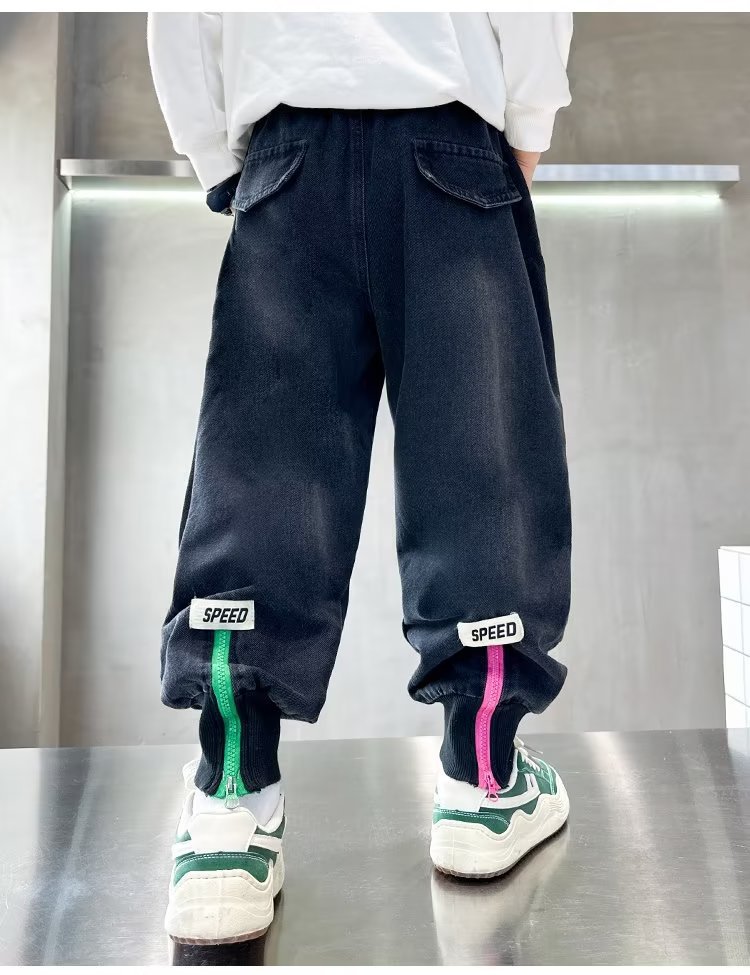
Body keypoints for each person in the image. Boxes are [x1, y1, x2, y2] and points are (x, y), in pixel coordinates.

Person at [148, 11, 573, 945]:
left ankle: (230, 810)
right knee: (482, 458)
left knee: (261, 471)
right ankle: (485, 780)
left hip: (287, 149)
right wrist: (526, 127)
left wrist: (213, 152)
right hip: (453, 142)